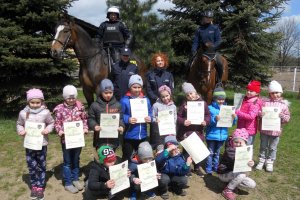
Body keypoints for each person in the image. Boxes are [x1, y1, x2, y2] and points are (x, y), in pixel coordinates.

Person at [16, 88, 54, 200]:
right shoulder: (23, 113)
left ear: (42, 101)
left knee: (41, 165)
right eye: (32, 102)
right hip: (29, 144)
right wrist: (21, 131)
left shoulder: (45, 112)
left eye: (38, 102)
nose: (35, 105)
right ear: (28, 102)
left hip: (42, 144)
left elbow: (51, 123)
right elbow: (19, 124)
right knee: (32, 165)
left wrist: (47, 130)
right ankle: (34, 186)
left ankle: (40, 187)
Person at [53, 85, 88, 194]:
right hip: (66, 140)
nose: (71, 100)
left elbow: (84, 119)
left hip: (78, 140)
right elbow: (57, 123)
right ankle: (68, 183)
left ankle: (75, 179)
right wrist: (60, 131)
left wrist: (85, 128)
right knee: (67, 162)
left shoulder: (80, 107)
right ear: (64, 97)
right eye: (69, 98)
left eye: (73, 97)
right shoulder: (59, 109)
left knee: (76, 159)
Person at [177, 82, 210, 177]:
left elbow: (208, 115)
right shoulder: (184, 105)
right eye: (187, 95)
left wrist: (205, 121)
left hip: (198, 132)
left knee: (197, 152)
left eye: (191, 93)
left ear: (195, 92)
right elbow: (178, 117)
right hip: (187, 132)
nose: (190, 96)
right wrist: (183, 121)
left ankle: (196, 168)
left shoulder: (203, 103)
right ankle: (186, 169)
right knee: (187, 152)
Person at [256, 80, 290, 172]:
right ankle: (261, 160)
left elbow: (287, 118)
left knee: (273, 147)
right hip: (264, 130)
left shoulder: (284, 105)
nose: (275, 95)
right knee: (263, 146)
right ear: (269, 94)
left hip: (275, 131)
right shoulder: (265, 103)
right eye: (273, 93)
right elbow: (259, 112)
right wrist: (260, 114)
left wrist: (282, 116)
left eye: (277, 92)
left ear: (281, 92)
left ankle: (270, 162)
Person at [120, 74, 152, 161]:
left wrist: (150, 118)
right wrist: (128, 119)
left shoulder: (146, 100)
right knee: (128, 156)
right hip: (129, 135)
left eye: (139, 87)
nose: (137, 89)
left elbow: (150, 112)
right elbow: (120, 115)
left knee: (143, 157)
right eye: (134, 87)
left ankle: (140, 173)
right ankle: (127, 172)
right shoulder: (124, 100)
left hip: (143, 135)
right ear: (130, 87)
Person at [217, 128, 256, 200]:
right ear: (232, 141)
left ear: (245, 143)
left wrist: (251, 163)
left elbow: (246, 164)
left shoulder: (245, 152)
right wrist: (244, 153)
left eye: (241, 142)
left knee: (252, 184)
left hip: (234, 174)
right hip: (224, 174)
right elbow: (237, 161)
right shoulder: (230, 150)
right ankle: (227, 190)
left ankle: (231, 184)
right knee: (242, 174)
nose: (238, 144)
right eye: (236, 142)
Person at [206, 87, 237, 175]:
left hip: (222, 135)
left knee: (217, 152)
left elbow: (232, 123)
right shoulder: (210, 108)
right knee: (210, 152)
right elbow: (208, 120)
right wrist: (214, 119)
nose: (221, 101)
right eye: (219, 99)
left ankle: (215, 167)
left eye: (222, 99)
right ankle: (208, 168)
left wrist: (235, 118)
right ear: (214, 99)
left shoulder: (228, 109)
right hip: (211, 135)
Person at [88, 79, 125, 149]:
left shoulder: (118, 105)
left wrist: (121, 126)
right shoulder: (95, 105)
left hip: (113, 139)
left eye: (110, 93)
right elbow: (91, 118)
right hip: (100, 139)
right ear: (101, 92)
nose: (108, 95)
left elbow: (120, 118)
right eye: (106, 93)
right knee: (101, 158)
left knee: (111, 159)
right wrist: (94, 126)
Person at [190, 10, 223, 82]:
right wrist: (193, 50)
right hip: (202, 51)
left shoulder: (215, 28)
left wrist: (213, 46)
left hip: (213, 51)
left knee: (220, 63)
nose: (208, 19)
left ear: (212, 19)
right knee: (189, 63)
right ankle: (189, 79)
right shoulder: (199, 30)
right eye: (206, 17)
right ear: (203, 18)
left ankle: (219, 81)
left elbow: (219, 40)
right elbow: (195, 42)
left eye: (209, 17)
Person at [236, 80, 263, 145]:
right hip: (241, 128)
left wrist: (238, 112)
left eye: (251, 91)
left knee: (247, 147)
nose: (248, 92)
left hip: (249, 130)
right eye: (247, 90)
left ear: (256, 93)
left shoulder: (255, 103)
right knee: (240, 145)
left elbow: (251, 116)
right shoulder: (244, 100)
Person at [151, 85, 177, 151]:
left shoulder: (173, 106)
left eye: (167, 96)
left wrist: (172, 126)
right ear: (160, 97)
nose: (165, 98)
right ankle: (160, 159)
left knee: (172, 149)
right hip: (159, 132)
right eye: (163, 97)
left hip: (170, 131)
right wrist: (155, 120)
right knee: (161, 148)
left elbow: (175, 118)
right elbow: (152, 117)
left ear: (170, 95)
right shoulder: (156, 105)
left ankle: (170, 160)